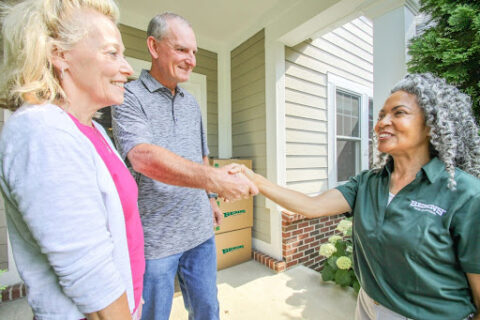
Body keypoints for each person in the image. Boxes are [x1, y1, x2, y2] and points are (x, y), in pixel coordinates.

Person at [232, 73, 480, 320]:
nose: (382, 122)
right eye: (381, 114)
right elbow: (311, 206)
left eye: (398, 113)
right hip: (368, 306)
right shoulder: (368, 182)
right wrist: (254, 179)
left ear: (431, 126)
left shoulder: (465, 193)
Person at [0, 0, 145, 319]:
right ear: (59, 55)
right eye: (112, 53)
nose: (129, 69)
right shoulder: (41, 131)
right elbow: (91, 281)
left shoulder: (93, 129)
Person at [111, 12, 257, 320]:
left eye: (194, 52)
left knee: (207, 311)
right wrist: (215, 180)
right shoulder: (128, 96)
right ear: (153, 46)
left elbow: (200, 154)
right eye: (181, 50)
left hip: (200, 232)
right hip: (155, 240)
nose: (191, 60)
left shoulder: (192, 103)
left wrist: (210, 198)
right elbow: (142, 156)